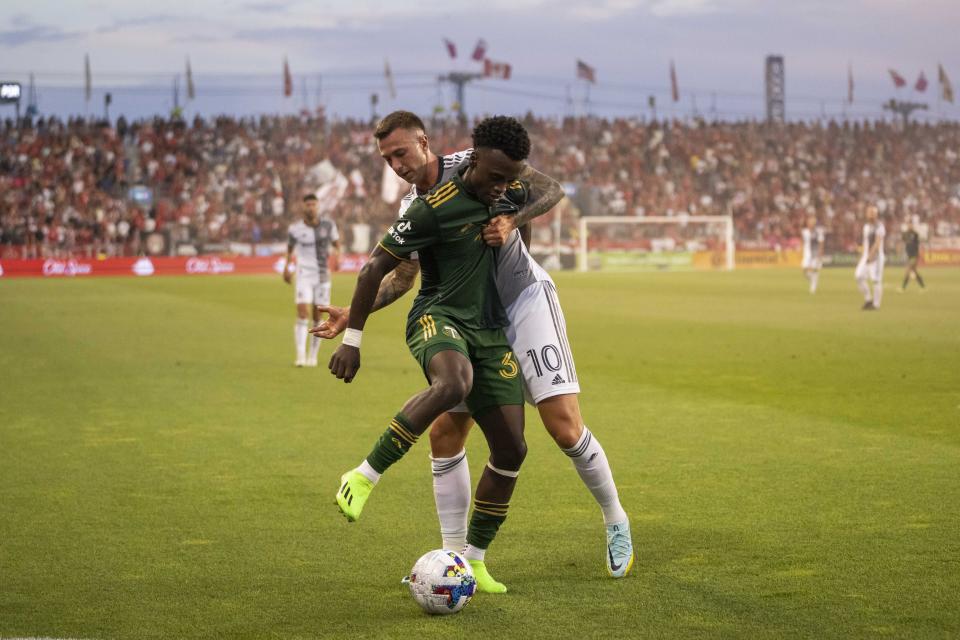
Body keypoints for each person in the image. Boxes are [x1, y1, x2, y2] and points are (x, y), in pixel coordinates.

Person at [316, 110, 634, 578]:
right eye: (387, 158)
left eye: (401, 152)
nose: (396, 164)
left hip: (524, 300)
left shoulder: (479, 161)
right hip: (466, 317)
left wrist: (510, 219)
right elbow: (402, 275)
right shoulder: (415, 209)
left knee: (564, 427)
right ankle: (458, 560)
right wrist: (354, 315)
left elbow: (548, 189)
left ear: (424, 142)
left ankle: (616, 520)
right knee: (447, 432)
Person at [329, 116, 533, 594]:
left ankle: (476, 561)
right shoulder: (428, 209)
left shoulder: (507, 190)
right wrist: (352, 338)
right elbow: (375, 271)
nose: (502, 187)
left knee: (512, 449)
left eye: (509, 179)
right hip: (437, 316)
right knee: (453, 385)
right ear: (473, 160)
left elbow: (542, 191)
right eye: (495, 177)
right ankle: (363, 475)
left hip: (490, 330)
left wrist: (513, 217)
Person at [283, 194, 340, 367]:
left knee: (318, 317)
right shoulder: (295, 229)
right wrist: (287, 267)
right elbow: (290, 249)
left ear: (318, 206)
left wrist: (338, 258)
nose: (311, 207)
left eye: (313, 204)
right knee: (302, 313)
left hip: (322, 277)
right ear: (303, 207)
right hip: (304, 276)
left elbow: (337, 245)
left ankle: (312, 356)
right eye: (308, 204)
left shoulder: (328, 225)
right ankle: (300, 355)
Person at [855, 205, 885, 311]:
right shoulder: (866, 227)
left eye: (872, 212)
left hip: (876, 257)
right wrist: (863, 256)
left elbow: (877, 243)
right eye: (869, 212)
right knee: (858, 276)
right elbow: (866, 243)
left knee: (876, 280)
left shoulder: (879, 226)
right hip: (866, 256)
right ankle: (868, 299)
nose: (870, 214)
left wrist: (871, 256)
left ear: (876, 214)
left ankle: (876, 305)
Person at [899, 219, 926, 292]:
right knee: (914, 271)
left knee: (908, 270)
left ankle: (903, 288)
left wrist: (918, 254)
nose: (910, 226)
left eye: (911, 224)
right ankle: (922, 286)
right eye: (909, 224)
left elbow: (918, 244)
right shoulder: (905, 234)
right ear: (907, 225)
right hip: (908, 255)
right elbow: (902, 242)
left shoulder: (915, 234)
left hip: (915, 255)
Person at [800, 215, 824, 294]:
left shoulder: (818, 231)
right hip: (806, 253)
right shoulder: (804, 232)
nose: (810, 223)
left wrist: (820, 254)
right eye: (809, 222)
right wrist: (801, 250)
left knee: (814, 269)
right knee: (804, 270)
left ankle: (813, 286)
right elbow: (803, 242)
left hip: (815, 253)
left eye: (812, 222)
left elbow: (821, 243)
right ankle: (813, 280)